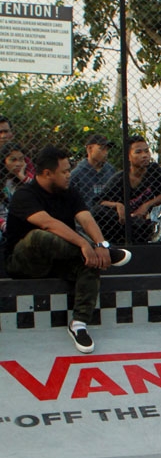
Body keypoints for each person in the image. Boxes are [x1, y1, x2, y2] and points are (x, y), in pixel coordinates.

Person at [4, 145, 132, 352]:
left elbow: (85, 218)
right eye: (64, 171)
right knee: (40, 236)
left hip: (58, 260)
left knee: (89, 262)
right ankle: (98, 253)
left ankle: (79, 324)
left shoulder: (69, 192)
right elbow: (48, 224)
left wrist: (101, 246)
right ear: (47, 174)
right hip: (25, 263)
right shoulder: (25, 196)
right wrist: (85, 244)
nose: (68, 175)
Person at [93, 135, 161, 244]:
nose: (144, 155)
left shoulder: (154, 170)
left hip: (140, 224)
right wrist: (117, 205)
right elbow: (98, 203)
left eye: (146, 151)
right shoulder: (119, 179)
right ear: (128, 156)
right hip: (120, 224)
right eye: (138, 152)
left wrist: (146, 205)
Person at [70, 134, 117, 205]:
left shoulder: (110, 170)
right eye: (102, 148)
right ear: (89, 149)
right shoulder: (76, 174)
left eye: (107, 149)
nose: (106, 153)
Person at [0, 141, 32, 242]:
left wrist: (22, 177)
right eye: (13, 160)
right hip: (4, 223)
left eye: (21, 159)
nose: (18, 164)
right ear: (4, 161)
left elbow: (38, 190)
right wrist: (4, 225)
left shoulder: (26, 179)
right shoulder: (3, 182)